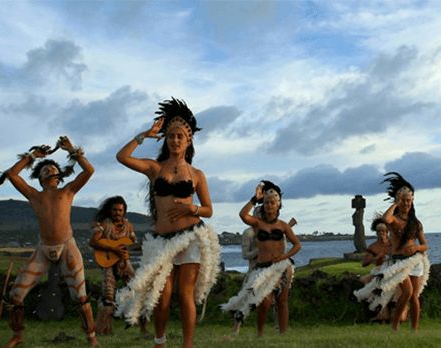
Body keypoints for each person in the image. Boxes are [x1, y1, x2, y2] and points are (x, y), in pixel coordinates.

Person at [114, 98, 221, 348]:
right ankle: (159, 341)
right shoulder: (154, 168)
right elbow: (122, 156)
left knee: (185, 295)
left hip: (191, 237)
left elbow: (208, 210)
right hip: (162, 242)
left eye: (180, 136)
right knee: (162, 296)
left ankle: (187, 345)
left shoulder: (197, 175)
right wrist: (143, 135)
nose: (175, 140)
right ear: (166, 139)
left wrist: (190, 207)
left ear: (189, 140)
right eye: (171, 136)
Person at [0, 136, 99, 347]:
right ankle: (17, 335)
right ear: (39, 177)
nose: (49, 170)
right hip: (44, 248)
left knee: (80, 296)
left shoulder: (67, 190)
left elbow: (89, 171)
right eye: (45, 169)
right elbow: (12, 175)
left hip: (67, 244)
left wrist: (72, 150)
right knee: (16, 295)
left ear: (59, 176)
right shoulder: (34, 195)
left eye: (53, 168)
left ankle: (91, 337)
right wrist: (33, 156)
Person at [221, 181, 301, 338]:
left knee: (282, 302)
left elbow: (297, 245)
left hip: (281, 267)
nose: (269, 205)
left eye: (272, 203)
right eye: (266, 203)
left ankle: (283, 334)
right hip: (262, 267)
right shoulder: (257, 224)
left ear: (278, 205)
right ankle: (260, 333)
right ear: (263, 205)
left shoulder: (284, 225)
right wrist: (254, 199)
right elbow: (243, 215)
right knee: (264, 302)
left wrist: (284, 257)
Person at [354, 172, 430, 332]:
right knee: (407, 292)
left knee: (415, 296)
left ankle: (414, 329)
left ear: (412, 201)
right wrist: (396, 203)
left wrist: (416, 248)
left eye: (409, 200)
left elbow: (424, 245)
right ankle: (395, 325)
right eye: (403, 200)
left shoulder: (415, 223)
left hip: (415, 261)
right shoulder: (394, 220)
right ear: (398, 200)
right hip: (398, 262)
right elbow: (385, 219)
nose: (406, 203)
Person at [89, 196, 149, 335]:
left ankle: (143, 328)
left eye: (120, 210)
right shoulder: (104, 225)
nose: (117, 213)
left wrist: (145, 245)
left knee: (140, 290)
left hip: (124, 263)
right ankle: (104, 330)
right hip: (108, 263)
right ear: (110, 211)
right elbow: (93, 242)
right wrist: (114, 249)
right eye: (115, 210)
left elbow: (133, 242)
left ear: (124, 211)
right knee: (108, 298)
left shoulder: (128, 225)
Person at [359, 214, 401, 324]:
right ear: (376, 234)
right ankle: (381, 316)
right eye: (379, 232)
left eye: (383, 231)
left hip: (390, 270)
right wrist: (374, 258)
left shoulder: (392, 244)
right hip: (378, 271)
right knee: (371, 284)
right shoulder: (373, 246)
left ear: (387, 233)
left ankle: (397, 315)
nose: (381, 233)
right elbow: (364, 263)